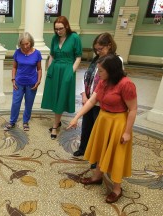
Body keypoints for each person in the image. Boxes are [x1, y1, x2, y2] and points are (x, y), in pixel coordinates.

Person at [67, 54, 137, 203]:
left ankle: (117, 189)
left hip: (118, 122)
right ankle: (97, 177)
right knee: (100, 150)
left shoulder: (126, 84)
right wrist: (76, 117)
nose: (98, 74)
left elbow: (133, 109)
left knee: (115, 155)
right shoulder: (103, 82)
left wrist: (127, 132)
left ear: (112, 70)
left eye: (101, 71)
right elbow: (92, 101)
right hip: (103, 120)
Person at [73, 33, 118, 157]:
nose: (98, 52)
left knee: (98, 131)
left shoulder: (115, 61)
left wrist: (93, 98)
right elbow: (87, 76)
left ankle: (96, 155)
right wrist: (84, 95)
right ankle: (83, 148)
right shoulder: (96, 59)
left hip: (101, 103)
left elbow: (112, 83)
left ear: (109, 46)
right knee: (86, 126)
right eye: (96, 49)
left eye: (100, 49)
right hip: (89, 100)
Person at [41, 16, 82, 140]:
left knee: (61, 96)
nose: (58, 31)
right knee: (54, 96)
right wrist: (48, 70)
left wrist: (71, 72)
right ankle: (57, 122)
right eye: (56, 29)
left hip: (67, 70)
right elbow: (52, 55)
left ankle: (55, 125)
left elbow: (78, 57)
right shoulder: (54, 38)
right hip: (55, 69)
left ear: (67, 26)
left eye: (61, 29)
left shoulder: (74, 38)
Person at [4, 32, 42, 131]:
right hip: (19, 83)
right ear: (20, 43)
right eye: (23, 44)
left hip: (32, 83)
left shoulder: (37, 53)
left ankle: (25, 121)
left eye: (27, 44)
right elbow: (14, 67)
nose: (25, 46)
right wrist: (13, 79)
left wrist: (38, 81)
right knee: (15, 103)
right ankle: (12, 121)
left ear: (31, 42)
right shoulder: (17, 52)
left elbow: (39, 69)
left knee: (29, 103)